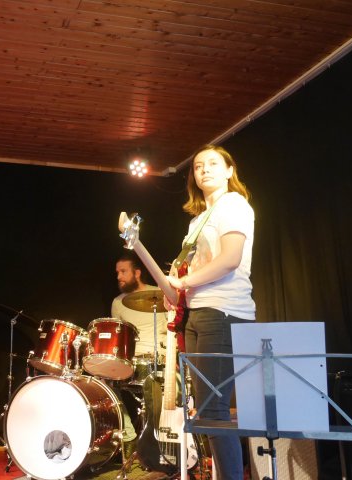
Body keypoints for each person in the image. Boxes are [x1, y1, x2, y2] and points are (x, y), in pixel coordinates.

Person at [164, 144, 255, 480]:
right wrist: (174, 290)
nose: (204, 169)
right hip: (198, 313)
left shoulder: (234, 204)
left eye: (214, 163)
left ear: (230, 171)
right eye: (198, 165)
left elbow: (230, 259)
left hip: (223, 311)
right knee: (205, 413)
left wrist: (184, 282)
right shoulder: (198, 220)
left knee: (213, 412)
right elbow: (192, 267)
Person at [109, 251, 168, 458]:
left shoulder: (159, 293)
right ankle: (129, 436)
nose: (119, 277)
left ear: (137, 273)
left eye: (123, 272)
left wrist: (174, 353)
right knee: (104, 382)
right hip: (132, 359)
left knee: (154, 388)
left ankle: (156, 442)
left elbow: (174, 326)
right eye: (117, 272)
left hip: (159, 355)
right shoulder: (118, 302)